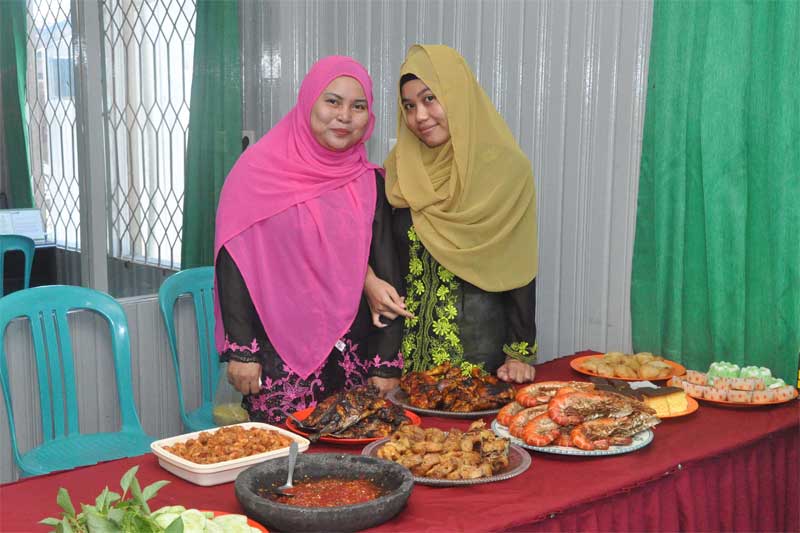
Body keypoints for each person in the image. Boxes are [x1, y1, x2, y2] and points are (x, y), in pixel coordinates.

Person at [213, 56, 403, 424]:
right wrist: (242, 352)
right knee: (284, 454)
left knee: (350, 455)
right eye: (333, 101)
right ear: (308, 101)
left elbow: (387, 273)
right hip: (275, 358)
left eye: (358, 106)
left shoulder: (369, 182)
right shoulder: (255, 173)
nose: (344, 116)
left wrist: (385, 362)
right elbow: (233, 264)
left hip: (353, 356)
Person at [365, 44, 538, 384]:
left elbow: (518, 264)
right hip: (407, 364)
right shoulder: (398, 171)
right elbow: (384, 265)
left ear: (457, 95)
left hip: (481, 363)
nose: (420, 116)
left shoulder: (506, 170)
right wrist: (385, 363)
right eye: (409, 106)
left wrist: (518, 353)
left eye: (430, 99)